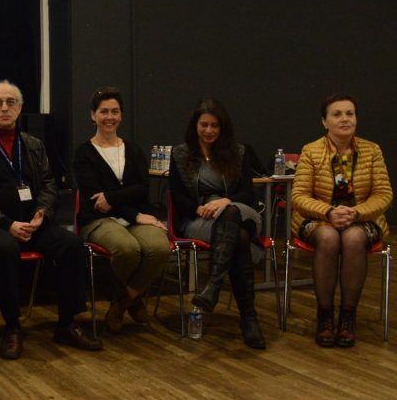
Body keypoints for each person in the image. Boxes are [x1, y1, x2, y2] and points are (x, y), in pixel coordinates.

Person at [0, 81, 102, 360]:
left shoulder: (34, 145)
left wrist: (42, 213)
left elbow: (49, 184)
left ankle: (67, 323)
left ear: (20, 108)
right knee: (5, 249)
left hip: (32, 222)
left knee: (71, 244)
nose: (4, 108)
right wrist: (5, 223)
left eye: (10, 102)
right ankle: (12, 326)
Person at [290, 93, 391, 347]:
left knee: (354, 237)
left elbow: (383, 194)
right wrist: (328, 212)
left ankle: (347, 317)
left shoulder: (372, 150)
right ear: (325, 122)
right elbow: (299, 196)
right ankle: (325, 316)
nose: (345, 119)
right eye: (337, 114)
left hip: (361, 217)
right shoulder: (311, 151)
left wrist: (357, 213)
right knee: (328, 236)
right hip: (319, 217)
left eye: (350, 113)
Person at [169, 98, 266, 349]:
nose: (209, 131)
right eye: (204, 125)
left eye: (214, 126)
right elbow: (177, 195)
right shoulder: (181, 154)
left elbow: (248, 194)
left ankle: (212, 285)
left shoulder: (239, 152)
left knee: (232, 214)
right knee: (239, 240)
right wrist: (197, 207)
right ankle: (249, 318)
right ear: (196, 126)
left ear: (223, 128)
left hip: (239, 210)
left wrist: (226, 201)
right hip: (201, 217)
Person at [74, 87, 171, 333]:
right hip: (98, 220)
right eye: (104, 111)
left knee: (159, 246)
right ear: (92, 115)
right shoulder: (83, 153)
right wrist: (135, 214)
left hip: (135, 216)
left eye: (115, 111)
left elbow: (141, 188)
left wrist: (113, 197)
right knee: (128, 249)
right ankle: (135, 299)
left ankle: (122, 301)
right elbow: (97, 200)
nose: (110, 117)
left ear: (121, 116)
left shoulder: (134, 150)